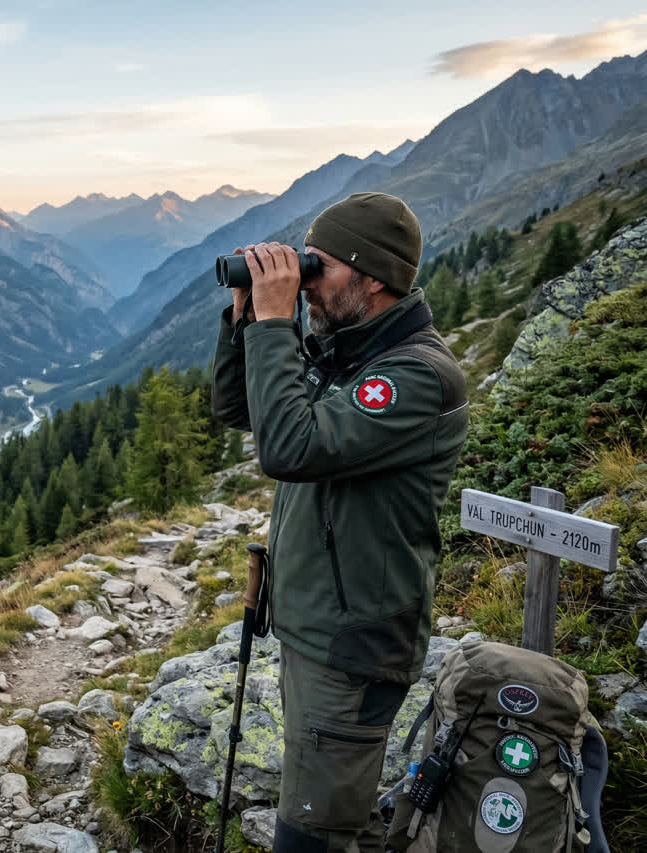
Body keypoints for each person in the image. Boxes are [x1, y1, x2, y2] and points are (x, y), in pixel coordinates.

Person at [210, 192, 469, 852]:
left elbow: (289, 448)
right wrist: (246, 321)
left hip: (352, 647)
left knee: (314, 835)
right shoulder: (351, 351)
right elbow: (245, 413)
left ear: (373, 276)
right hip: (316, 626)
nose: (305, 283)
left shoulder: (414, 376)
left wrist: (276, 324)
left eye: (316, 268)